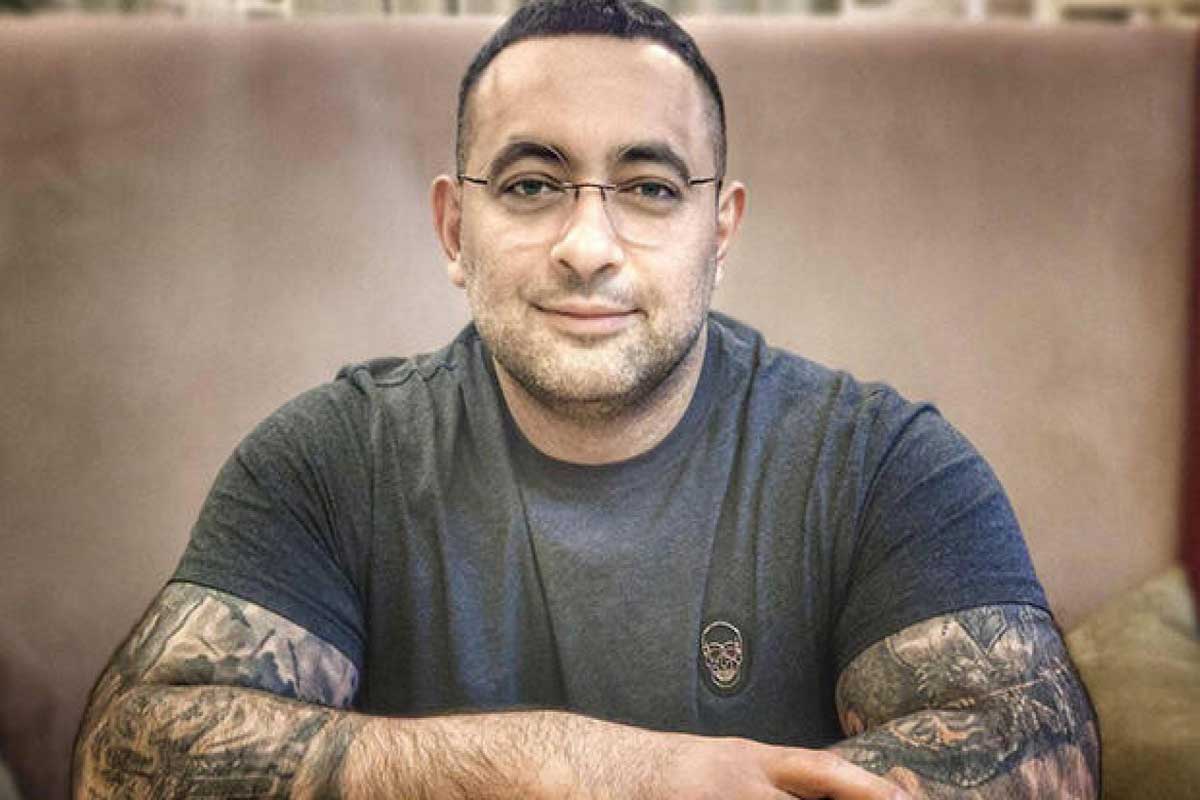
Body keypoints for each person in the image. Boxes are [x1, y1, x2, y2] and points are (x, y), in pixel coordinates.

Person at [72, 0, 1099, 796]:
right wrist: (609, 771)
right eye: (531, 183)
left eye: (650, 187)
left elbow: (1038, 762)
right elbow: (128, 761)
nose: (589, 245)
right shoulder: (331, 459)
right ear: (454, 230)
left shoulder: (885, 467)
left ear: (720, 233)